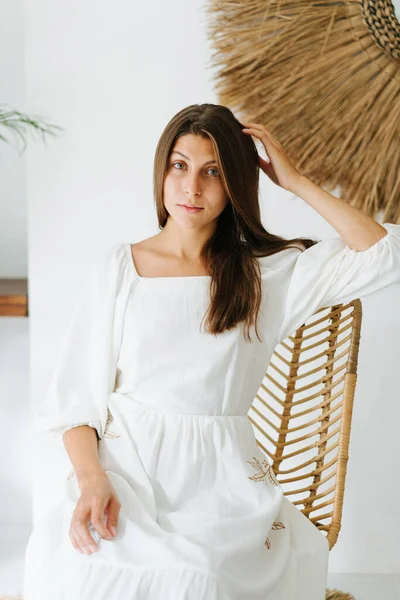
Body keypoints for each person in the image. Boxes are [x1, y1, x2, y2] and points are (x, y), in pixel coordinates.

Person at [23, 103, 400, 599]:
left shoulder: (267, 273)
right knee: (90, 567)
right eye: (179, 166)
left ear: (237, 183)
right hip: (125, 472)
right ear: (162, 171)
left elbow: (384, 254)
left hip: (222, 486)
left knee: (197, 581)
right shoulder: (121, 269)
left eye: (213, 171)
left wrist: (297, 181)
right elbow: (75, 402)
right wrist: (92, 480)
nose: (191, 187)